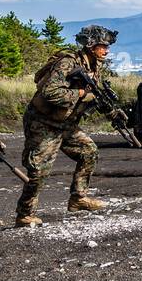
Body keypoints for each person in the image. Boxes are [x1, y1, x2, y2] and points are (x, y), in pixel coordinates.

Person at [15, 25, 120, 226]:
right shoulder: (67, 63)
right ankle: (24, 214)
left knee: (88, 151)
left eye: (107, 46)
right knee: (39, 171)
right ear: (90, 45)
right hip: (43, 123)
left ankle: (78, 199)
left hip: (66, 123)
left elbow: (94, 95)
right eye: (102, 46)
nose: (106, 50)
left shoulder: (93, 65)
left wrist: (112, 111)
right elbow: (50, 93)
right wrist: (80, 94)